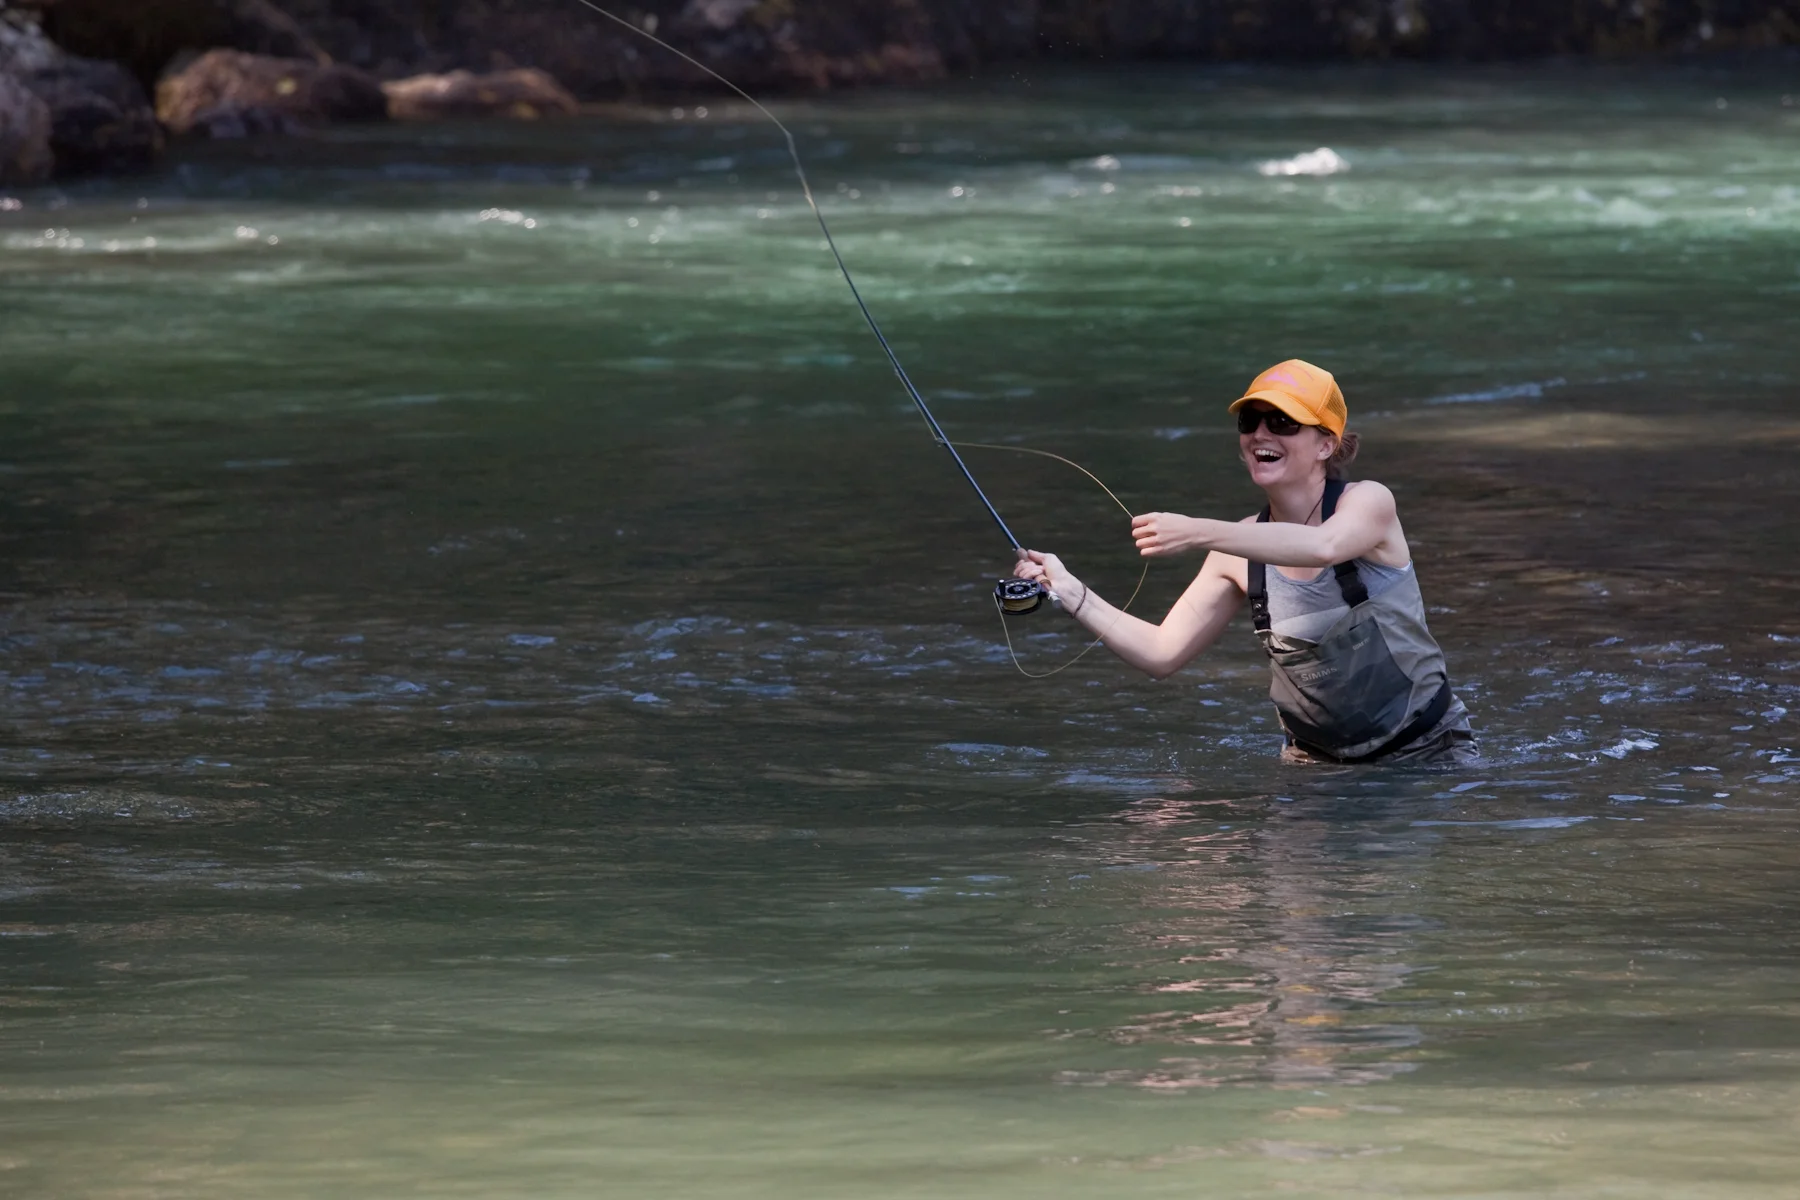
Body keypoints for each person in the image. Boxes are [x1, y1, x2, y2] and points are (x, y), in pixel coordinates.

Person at [1013, 359, 1474, 765]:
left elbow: (1324, 547)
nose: (1261, 434)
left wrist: (1196, 531)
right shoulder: (1231, 554)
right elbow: (1160, 655)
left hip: (1427, 754)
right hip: (1315, 769)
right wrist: (1069, 592)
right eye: (1251, 421)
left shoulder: (1368, 503)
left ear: (1326, 445)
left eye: (1284, 422)